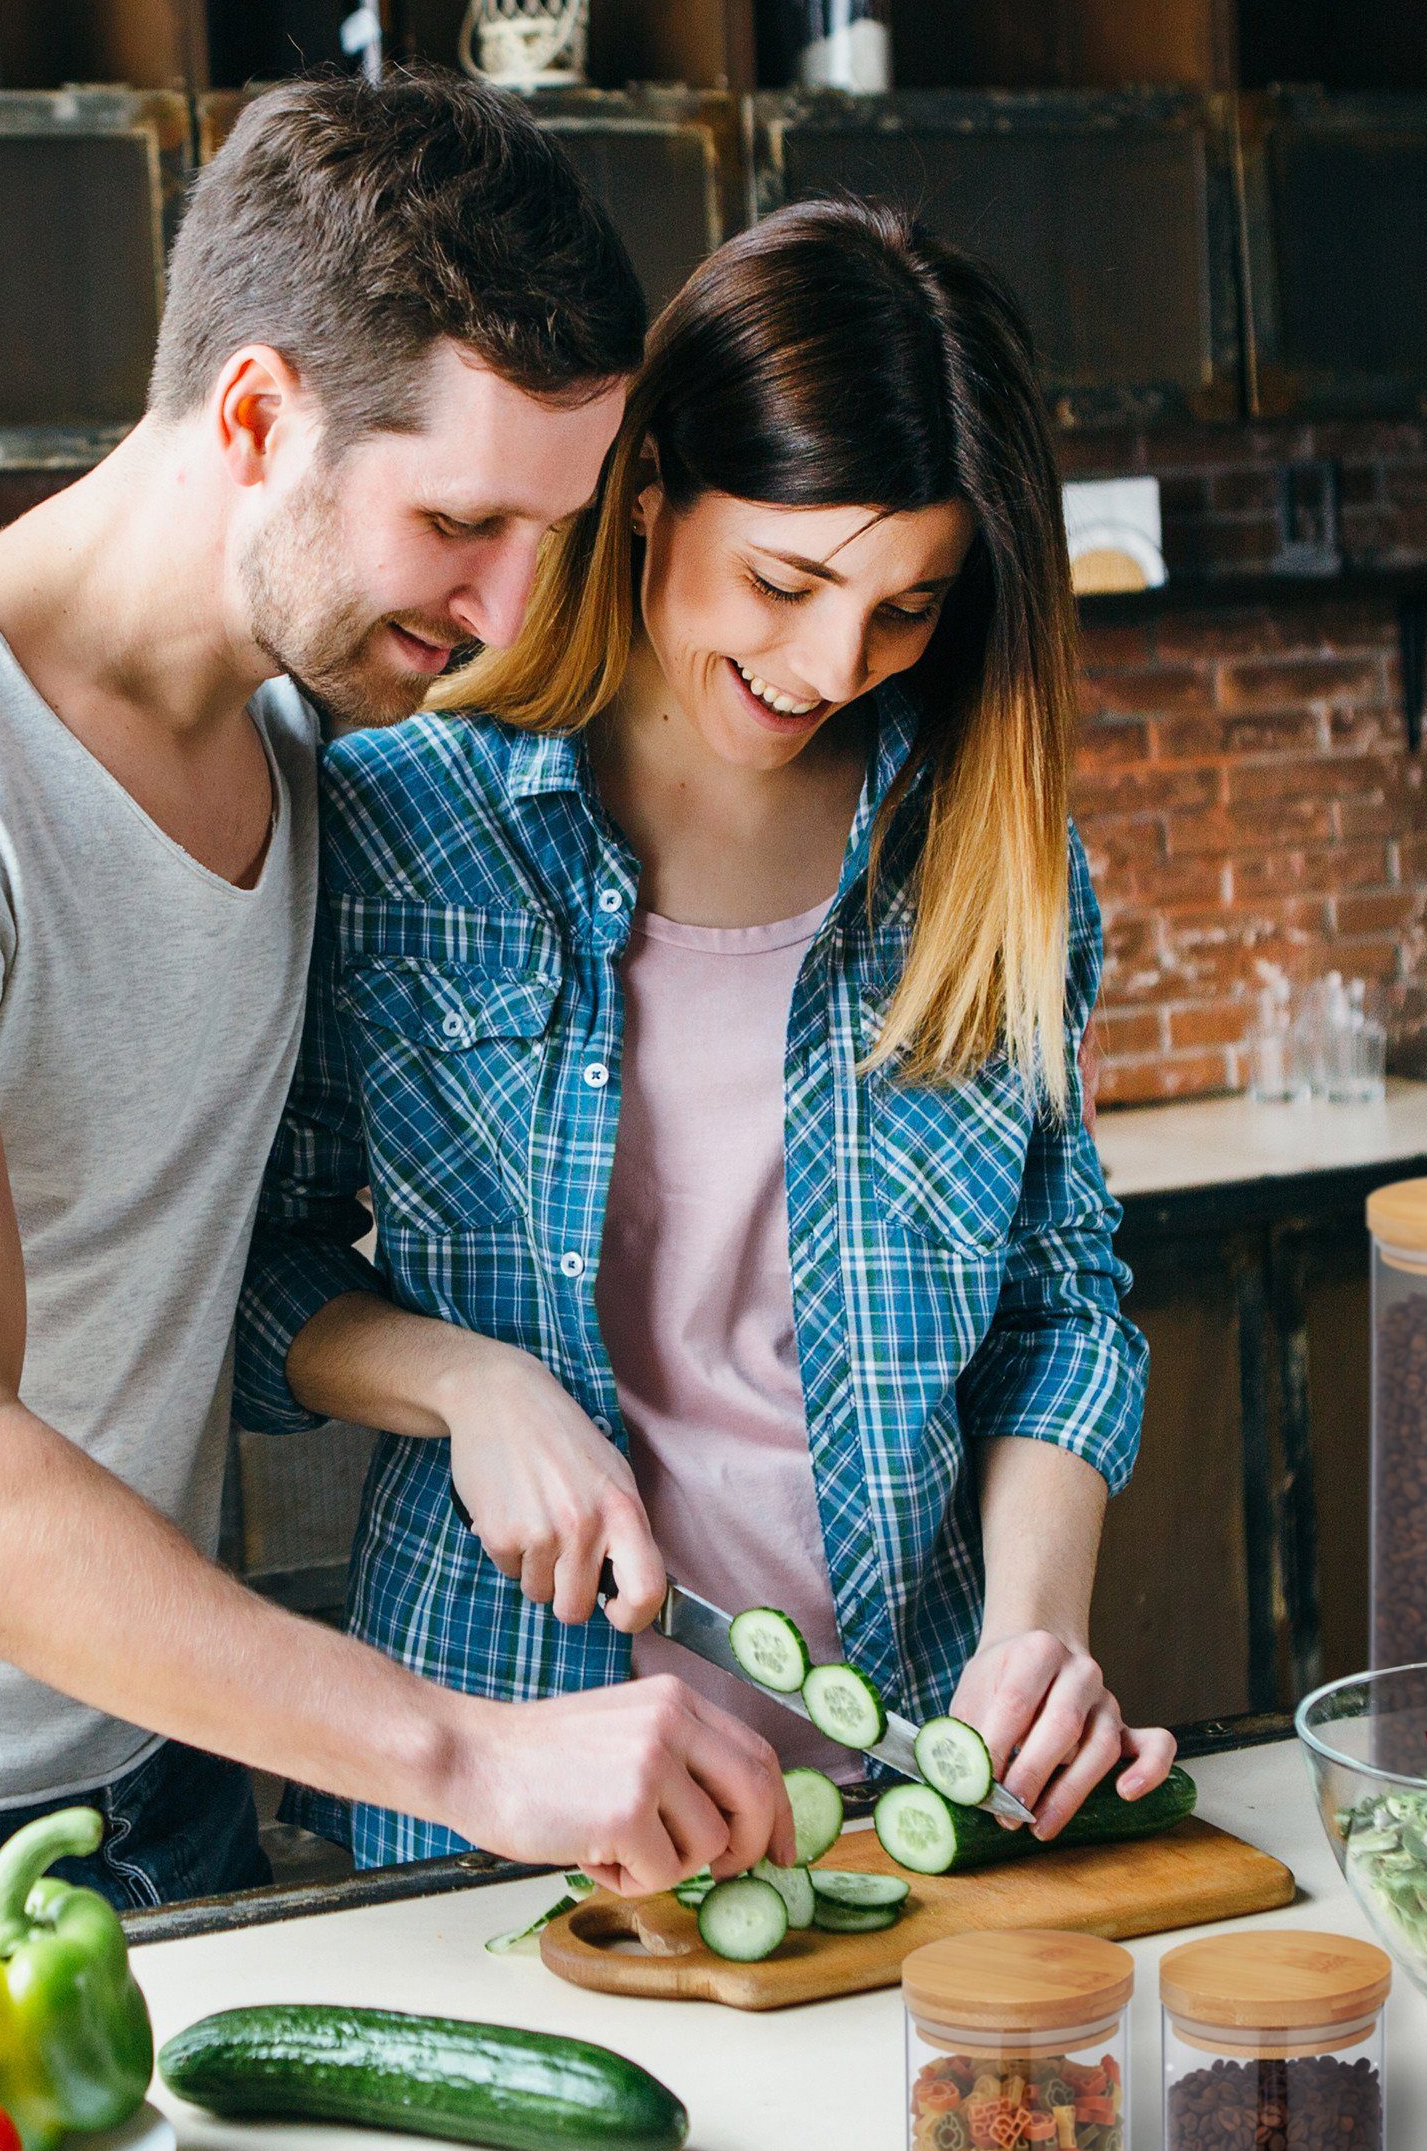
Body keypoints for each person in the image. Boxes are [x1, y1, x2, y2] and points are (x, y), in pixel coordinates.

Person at [0, 73, 791, 1977]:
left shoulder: (306, 746)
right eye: (461, 522)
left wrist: (475, 1376)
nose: (507, 610)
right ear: (255, 416)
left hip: (163, 1772)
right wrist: (469, 1755)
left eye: (547, 532)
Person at [239, 200, 1173, 1870]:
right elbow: (259, 1272)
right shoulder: (400, 823)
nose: (832, 664)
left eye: (908, 608)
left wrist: (1039, 1634)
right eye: (788, 581)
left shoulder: (990, 864)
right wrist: (466, 1383)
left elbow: (1063, 1299)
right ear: (649, 488)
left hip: (912, 1783)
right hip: (509, 1770)